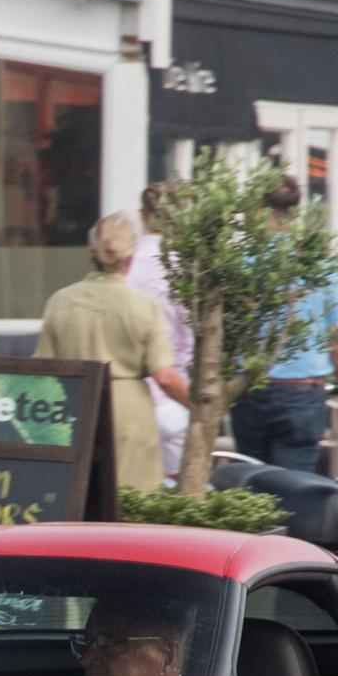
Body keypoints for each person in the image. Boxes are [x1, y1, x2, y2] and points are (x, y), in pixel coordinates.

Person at [35, 214, 191, 493]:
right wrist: (198, 408)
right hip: (129, 415)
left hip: (72, 407)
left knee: (75, 498)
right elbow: (165, 377)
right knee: (131, 500)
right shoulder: (144, 306)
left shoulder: (60, 301)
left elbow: (42, 369)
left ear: (90, 253)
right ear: (130, 259)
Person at [229, 180, 338, 473]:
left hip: (249, 391)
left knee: (252, 487)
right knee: (295, 492)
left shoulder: (239, 263)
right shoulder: (319, 263)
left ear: (259, 209)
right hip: (302, 395)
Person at [126, 183, 194, 478]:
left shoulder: (123, 266)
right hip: (175, 394)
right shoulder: (188, 268)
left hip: (130, 398)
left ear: (143, 216)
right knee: (180, 495)